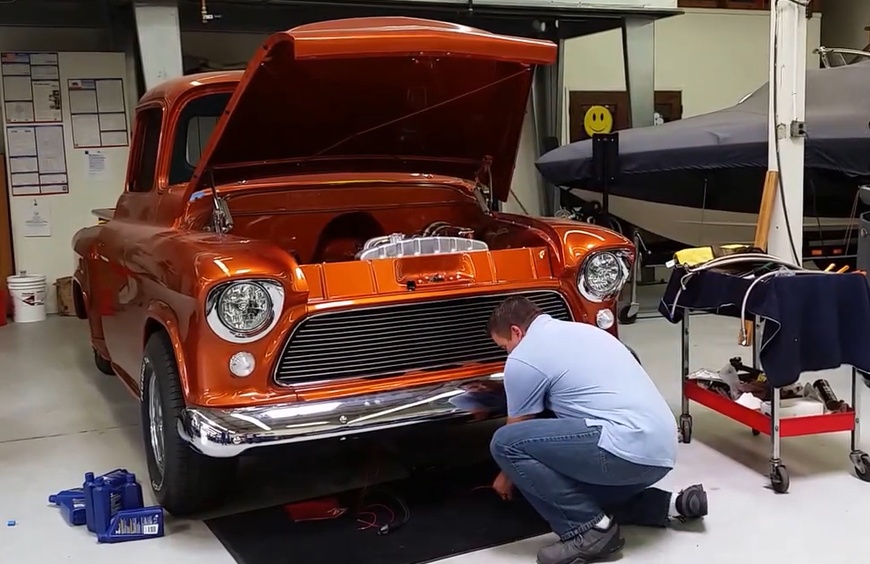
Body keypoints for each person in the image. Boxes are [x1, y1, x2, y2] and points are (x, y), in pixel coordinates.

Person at [486, 296, 707, 564]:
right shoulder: (585, 331)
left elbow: (519, 425)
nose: (508, 352)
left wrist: (506, 475)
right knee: (567, 492)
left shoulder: (524, 357)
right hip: (661, 452)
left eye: (505, 346)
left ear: (516, 332)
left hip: (623, 449)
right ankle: (674, 504)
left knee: (505, 443)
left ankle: (590, 530)